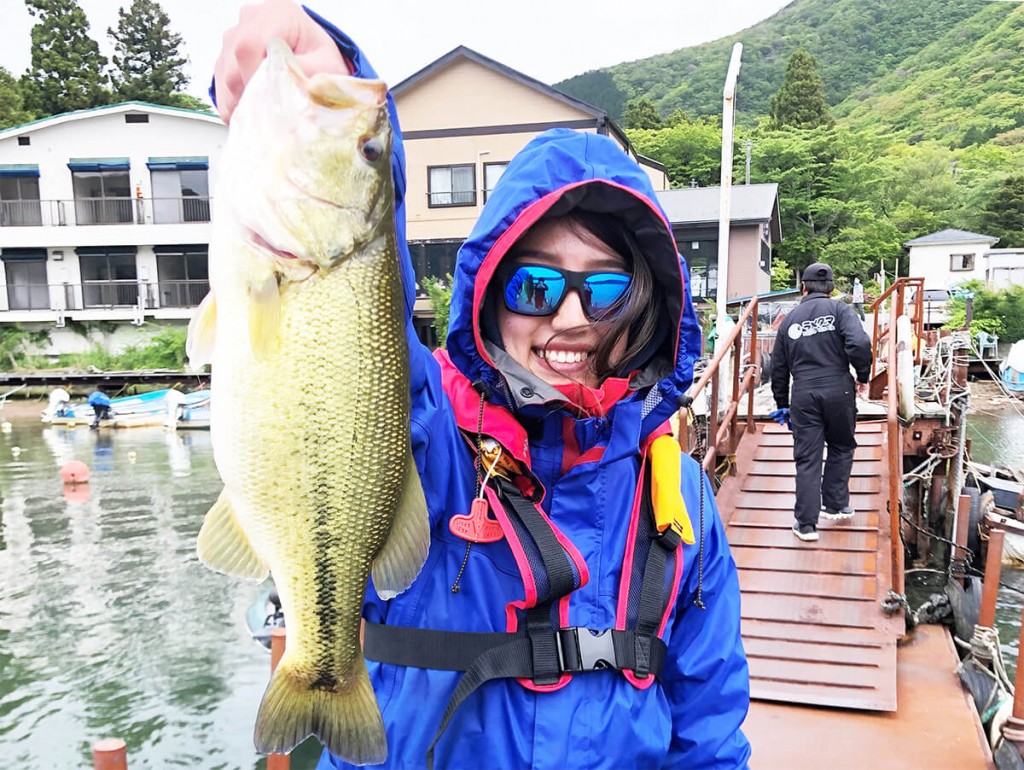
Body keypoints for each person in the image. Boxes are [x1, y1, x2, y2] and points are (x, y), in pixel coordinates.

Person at [214, 4, 751, 768]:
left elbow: (711, 721)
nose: (570, 318)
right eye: (535, 286)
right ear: (489, 300)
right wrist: (333, 78)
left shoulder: (683, 501)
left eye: (603, 292)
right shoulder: (430, 438)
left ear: (647, 309)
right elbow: (360, 279)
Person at [770, 263, 872, 542]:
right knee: (841, 445)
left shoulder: (789, 320)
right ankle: (835, 504)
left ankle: (805, 525)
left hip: (803, 393)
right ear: (830, 288)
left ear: (803, 287)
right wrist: (863, 375)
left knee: (807, 458)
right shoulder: (841, 311)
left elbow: (778, 368)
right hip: (839, 389)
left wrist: (782, 403)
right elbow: (860, 344)